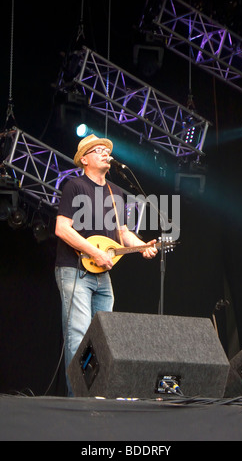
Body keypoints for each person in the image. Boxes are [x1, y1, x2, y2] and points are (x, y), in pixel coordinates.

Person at [55, 133, 158, 396]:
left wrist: (142, 246)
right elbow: (62, 229)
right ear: (85, 160)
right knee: (78, 337)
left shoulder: (118, 193)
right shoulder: (74, 186)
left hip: (103, 274)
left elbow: (122, 231)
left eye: (105, 149)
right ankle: (77, 400)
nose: (104, 153)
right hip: (74, 269)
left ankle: (98, 396)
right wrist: (94, 251)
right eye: (97, 150)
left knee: (104, 338)